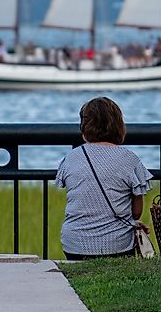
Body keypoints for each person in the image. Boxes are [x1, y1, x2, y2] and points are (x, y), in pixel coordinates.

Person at [55, 97, 152, 260]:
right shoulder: (130, 159)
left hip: (75, 244)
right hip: (117, 244)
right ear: (119, 126)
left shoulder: (70, 158)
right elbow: (136, 212)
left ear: (84, 126)